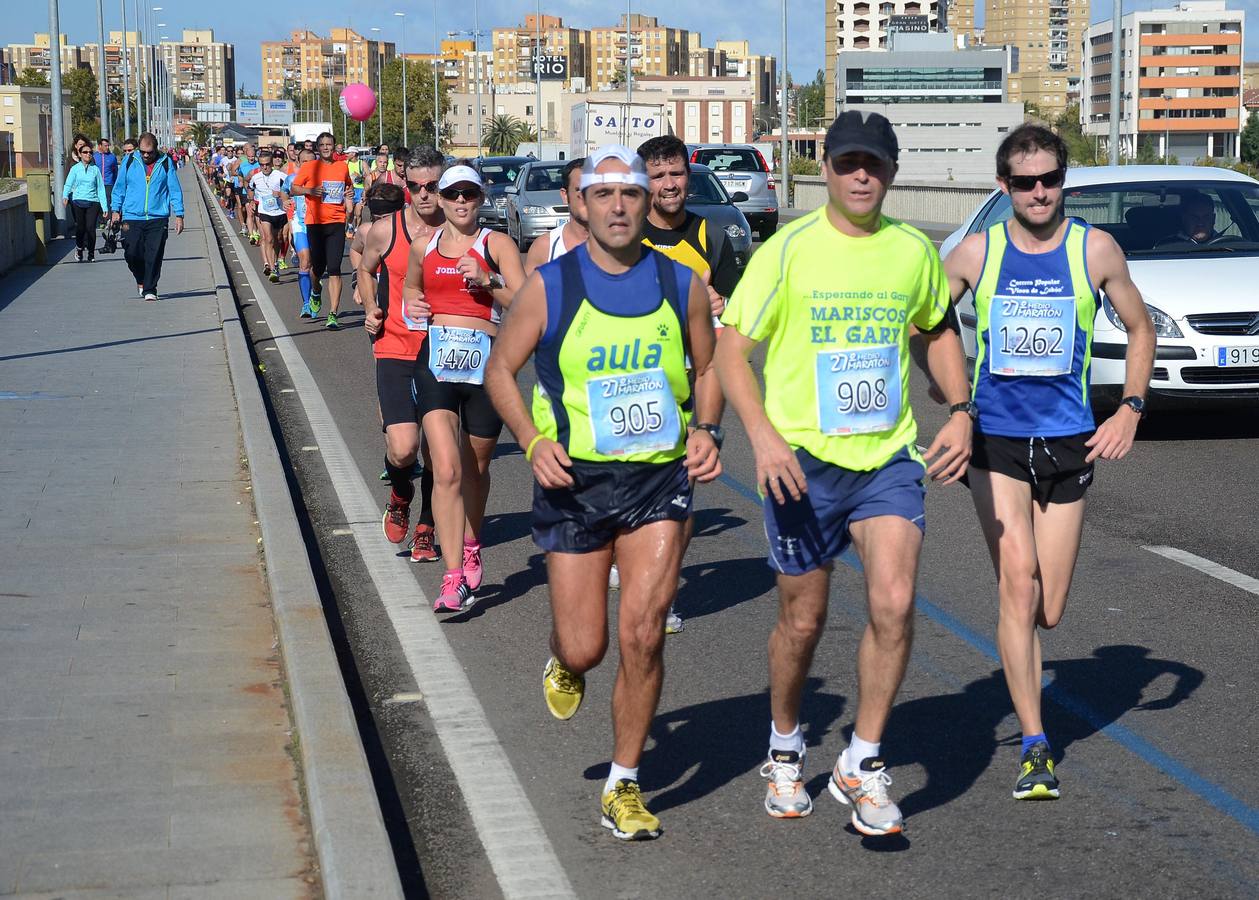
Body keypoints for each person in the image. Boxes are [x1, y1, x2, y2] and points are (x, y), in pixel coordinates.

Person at [715, 110, 972, 835]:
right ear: (824, 168)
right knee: (803, 619)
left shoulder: (911, 252)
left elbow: (935, 327)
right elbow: (732, 351)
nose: (862, 175)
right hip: (800, 463)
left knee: (893, 601)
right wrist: (761, 440)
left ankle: (860, 762)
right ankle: (785, 745)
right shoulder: (788, 250)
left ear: (891, 172)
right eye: (848, 162)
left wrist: (959, 409)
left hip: (885, 457)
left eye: (876, 164)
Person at [483, 145, 723, 842]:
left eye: (631, 194)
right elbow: (501, 370)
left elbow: (707, 368)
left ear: (649, 205)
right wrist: (531, 441)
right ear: (580, 206)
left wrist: (707, 429)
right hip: (575, 483)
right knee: (587, 647)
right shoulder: (550, 285)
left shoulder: (680, 283)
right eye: (603, 195)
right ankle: (564, 657)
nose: (618, 206)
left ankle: (624, 783)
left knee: (643, 633)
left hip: (657, 479)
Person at [940, 124, 1154, 801]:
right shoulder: (977, 251)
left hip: (1068, 440)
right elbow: (921, 320)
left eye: (1049, 180)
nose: (1038, 192)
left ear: (1064, 181)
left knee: (1049, 608)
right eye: (1024, 182)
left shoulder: (1094, 250)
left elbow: (1140, 327)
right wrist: (951, 400)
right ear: (1003, 187)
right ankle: (1035, 743)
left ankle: (1025, 662)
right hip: (996, 442)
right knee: (1016, 580)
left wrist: (1130, 407)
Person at [402, 162, 525, 611]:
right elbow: (411, 294)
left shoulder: (498, 244)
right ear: (441, 197)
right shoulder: (424, 245)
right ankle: (452, 579)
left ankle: (473, 544)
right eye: (451, 194)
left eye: (468, 194)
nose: (459, 202)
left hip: (486, 366)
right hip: (435, 360)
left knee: (475, 469)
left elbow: (526, 301)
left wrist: (489, 281)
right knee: (446, 468)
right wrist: (410, 303)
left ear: (480, 197)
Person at [635, 134, 739, 633]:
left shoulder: (712, 234)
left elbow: (734, 328)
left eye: (676, 173)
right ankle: (631, 561)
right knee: (630, 498)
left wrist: (722, 304)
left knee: (679, 497)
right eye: (658, 176)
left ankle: (664, 591)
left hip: (688, 386)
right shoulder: (627, 235)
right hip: (632, 386)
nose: (670, 184)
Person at [358, 147, 449, 564]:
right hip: (395, 346)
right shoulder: (385, 229)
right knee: (403, 448)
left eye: (433, 186)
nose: (425, 195)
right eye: (416, 187)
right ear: (405, 185)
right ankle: (400, 495)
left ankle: (427, 528)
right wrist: (369, 307)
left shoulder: (458, 229)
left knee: (438, 449)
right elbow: (365, 266)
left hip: (444, 350)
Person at [290, 131, 355, 329]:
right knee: (317, 268)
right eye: (323, 144)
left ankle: (333, 313)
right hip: (315, 223)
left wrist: (349, 192)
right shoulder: (310, 167)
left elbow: (348, 188)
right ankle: (315, 291)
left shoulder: (342, 167)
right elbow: (294, 188)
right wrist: (309, 191)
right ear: (318, 148)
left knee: (334, 268)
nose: (326, 147)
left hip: (336, 222)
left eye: (329, 144)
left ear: (334, 147)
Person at [111, 132, 184, 302]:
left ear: (156, 149)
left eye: (149, 152)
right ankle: (141, 279)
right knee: (131, 252)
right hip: (131, 216)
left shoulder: (165, 162)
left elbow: (174, 189)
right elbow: (119, 188)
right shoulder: (129, 161)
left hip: (157, 217)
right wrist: (116, 210)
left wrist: (179, 214)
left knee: (154, 254)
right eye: (143, 151)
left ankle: (150, 288)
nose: (146, 155)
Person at [523, 157, 588, 278]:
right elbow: (527, 295)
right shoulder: (545, 247)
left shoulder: (624, 246)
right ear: (565, 195)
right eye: (581, 191)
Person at [281, 147, 316, 317]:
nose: (308, 165)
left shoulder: (324, 179)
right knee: (305, 261)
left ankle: (315, 289)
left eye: (312, 162)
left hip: (319, 225)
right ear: (299, 163)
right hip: (300, 224)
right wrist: (285, 201)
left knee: (316, 267)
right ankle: (306, 304)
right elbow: (284, 191)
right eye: (304, 162)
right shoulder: (292, 179)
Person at [63, 144, 108, 262]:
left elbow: (101, 189)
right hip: (78, 201)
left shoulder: (95, 170)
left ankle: (91, 253)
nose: (88, 154)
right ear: (80, 154)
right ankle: (79, 248)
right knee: (81, 228)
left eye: (90, 152)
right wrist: (65, 195)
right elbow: (68, 183)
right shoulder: (75, 169)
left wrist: (104, 206)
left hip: (93, 202)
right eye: (85, 152)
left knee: (90, 228)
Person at [250, 149, 288, 284]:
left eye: (267, 164)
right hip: (265, 212)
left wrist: (281, 194)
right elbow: (250, 188)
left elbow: (290, 190)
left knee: (279, 239)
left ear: (271, 163)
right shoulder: (256, 178)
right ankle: (272, 269)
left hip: (280, 212)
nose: (264, 167)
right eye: (261, 164)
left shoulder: (280, 176)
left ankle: (276, 262)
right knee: (268, 238)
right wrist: (252, 202)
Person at [1155, 190, 1222, 247]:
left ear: (1213, 219)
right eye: (1194, 217)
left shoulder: (1227, 244)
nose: (1200, 223)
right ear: (1184, 219)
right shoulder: (1166, 245)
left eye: (1206, 217)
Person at [237, 143, 261, 244]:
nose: (251, 158)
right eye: (249, 157)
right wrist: (241, 183)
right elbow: (240, 176)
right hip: (246, 192)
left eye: (253, 156)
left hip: (258, 193)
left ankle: (258, 232)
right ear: (246, 156)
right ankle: (251, 235)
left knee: (258, 215)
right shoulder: (242, 165)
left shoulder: (259, 164)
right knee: (250, 213)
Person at [93, 137, 119, 214]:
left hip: (108, 184)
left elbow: (115, 171)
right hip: (97, 184)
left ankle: (108, 220)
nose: (107, 147)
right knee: (98, 203)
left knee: (108, 202)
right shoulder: (94, 156)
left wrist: (114, 183)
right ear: (100, 146)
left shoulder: (112, 157)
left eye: (108, 145)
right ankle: (100, 221)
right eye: (105, 145)